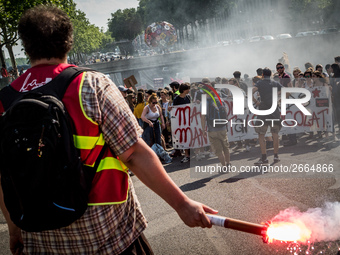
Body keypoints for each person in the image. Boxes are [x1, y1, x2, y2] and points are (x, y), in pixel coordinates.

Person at [0, 6, 217, 255]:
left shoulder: (4, 100)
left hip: (39, 240)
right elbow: (134, 153)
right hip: (108, 236)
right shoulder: (91, 84)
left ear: (25, 46)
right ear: (68, 43)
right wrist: (182, 204)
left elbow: (3, 175)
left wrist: (15, 228)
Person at [253, 68, 282, 165]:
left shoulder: (260, 83)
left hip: (263, 111)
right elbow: (286, 91)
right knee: (275, 134)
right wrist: (278, 100)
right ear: (271, 75)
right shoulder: (275, 83)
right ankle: (276, 156)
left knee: (261, 135)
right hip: (274, 111)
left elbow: (251, 91)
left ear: (262, 75)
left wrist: (257, 102)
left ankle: (264, 158)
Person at [173, 83, 191, 163]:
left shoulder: (188, 97)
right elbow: (174, 110)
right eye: (187, 89)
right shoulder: (176, 99)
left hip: (189, 120)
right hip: (181, 122)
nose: (189, 90)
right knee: (184, 137)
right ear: (184, 90)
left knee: (190, 136)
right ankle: (186, 155)